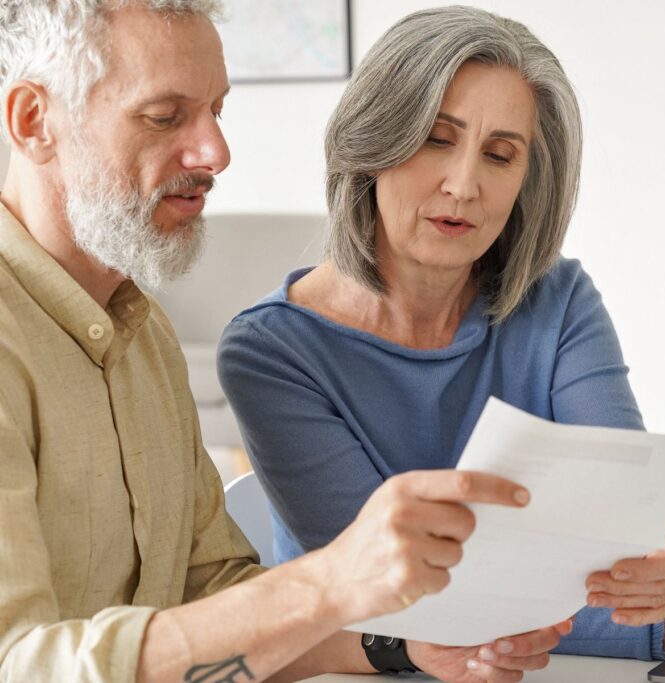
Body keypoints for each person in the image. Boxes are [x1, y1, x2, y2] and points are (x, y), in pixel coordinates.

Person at [0, 2, 571, 681]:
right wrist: (330, 580)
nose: (216, 152)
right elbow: (21, 664)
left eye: (218, 111)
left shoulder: (143, 333)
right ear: (35, 122)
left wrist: (395, 644)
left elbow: (213, 594)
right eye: (165, 116)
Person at [218, 5, 665, 681]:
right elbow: (395, 600)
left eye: (499, 154)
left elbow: (626, 496)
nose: (464, 184)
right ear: (373, 142)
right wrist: (655, 619)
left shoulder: (559, 297)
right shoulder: (269, 353)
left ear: (527, 181)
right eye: (435, 138)